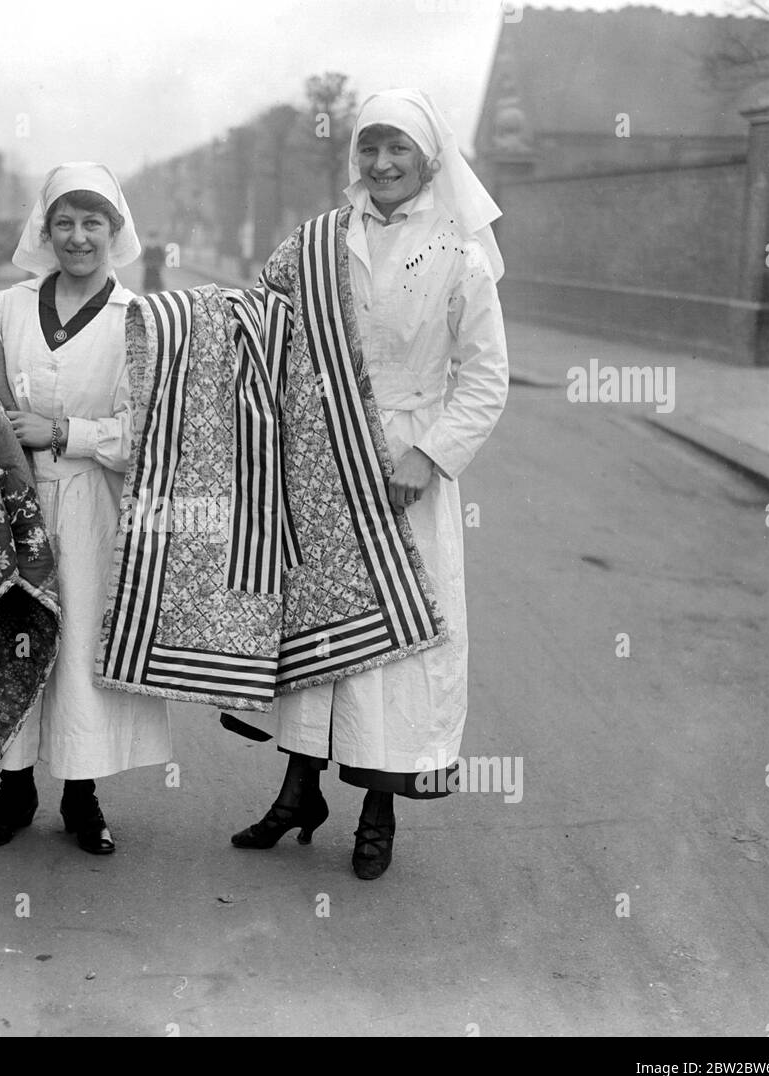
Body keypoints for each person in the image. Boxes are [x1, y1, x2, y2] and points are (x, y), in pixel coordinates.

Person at [229, 89, 509, 879]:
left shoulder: (460, 251)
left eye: (399, 150)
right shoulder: (317, 241)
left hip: (404, 467)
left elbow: (486, 377)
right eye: (369, 149)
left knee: (392, 644)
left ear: (429, 159)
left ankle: (377, 810)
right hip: (320, 463)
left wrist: (430, 455)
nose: (382, 164)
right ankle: (298, 790)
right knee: (316, 631)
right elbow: (259, 323)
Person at [0, 163, 171, 854]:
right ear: (46, 231)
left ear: (114, 230)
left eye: (92, 223)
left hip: (89, 505)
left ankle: (82, 795)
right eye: (64, 223)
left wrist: (68, 432)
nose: (78, 237)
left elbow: (154, 432)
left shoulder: (137, 319)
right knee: (12, 636)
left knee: (77, 648)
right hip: (10, 507)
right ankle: (14, 791)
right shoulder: (11, 309)